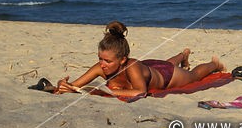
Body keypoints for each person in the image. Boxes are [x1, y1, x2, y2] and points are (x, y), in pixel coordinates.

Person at [56, 21, 225, 97]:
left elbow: (140, 92)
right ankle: (182, 55)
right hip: (149, 68)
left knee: (193, 76)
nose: (102, 64)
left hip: (166, 76)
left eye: (108, 61)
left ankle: (214, 63)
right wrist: (64, 86)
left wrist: (107, 92)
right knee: (166, 62)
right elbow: (75, 86)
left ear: (122, 60)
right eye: (100, 58)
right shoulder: (100, 67)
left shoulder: (131, 67)